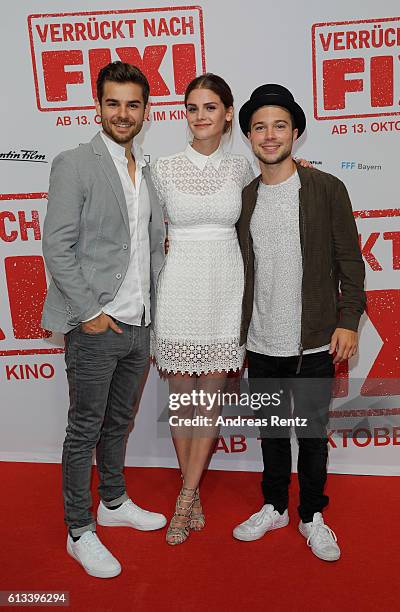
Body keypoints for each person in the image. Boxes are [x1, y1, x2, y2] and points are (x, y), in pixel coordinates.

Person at [41, 61, 167, 578]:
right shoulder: (75, 162)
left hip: (139, 323)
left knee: (119, 423)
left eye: (132, 104)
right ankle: (79, 529)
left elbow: (149, 247)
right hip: (96, 324)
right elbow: (56, 244)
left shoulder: (149, 170)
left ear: (145, 111)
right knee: (84, 429)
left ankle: (113, 504)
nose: (122, 113)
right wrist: (90, 313)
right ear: (97, 106)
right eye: (112, 103)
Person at [232, 84, 366, 561]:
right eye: (260, 127)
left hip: (313, 343)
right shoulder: (243, 198)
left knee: (310, 434)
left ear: (296, 133)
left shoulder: (327, 189)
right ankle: (274, 506)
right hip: (261, 342)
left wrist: (348, 320)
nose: (270, 135)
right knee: (271, 431)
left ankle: (311, 515)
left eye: (280, 126)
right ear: (249, 135)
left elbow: (351, 263)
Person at [150, 73, 255, 544]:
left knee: (208, 400)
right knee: (182, 401)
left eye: (210, 107)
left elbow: (262, 217)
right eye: (192, 108)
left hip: (227, 286)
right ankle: (188, 490)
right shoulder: (164, 168)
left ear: (228, 113)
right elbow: (148, 236)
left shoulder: (244, 169)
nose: (200, 116)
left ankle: (186, 495)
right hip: (179, 284)